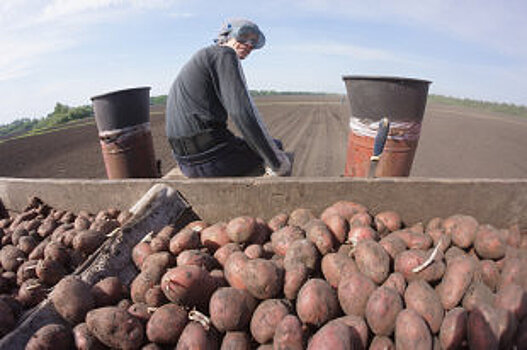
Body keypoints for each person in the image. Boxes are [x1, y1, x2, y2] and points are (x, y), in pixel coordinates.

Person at [165, 18, 292, 177]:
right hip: (213, 162)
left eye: (254, 41)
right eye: (243, 36)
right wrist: (276, 162)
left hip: (186, 163)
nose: (249, 44)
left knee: (245, 145)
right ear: (225, 36)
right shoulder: (224, 53)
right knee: (276, 147)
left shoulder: (204, 57)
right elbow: (243, 112)